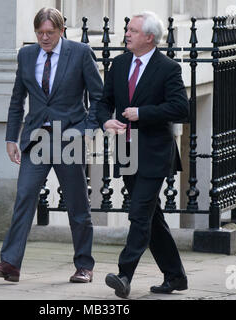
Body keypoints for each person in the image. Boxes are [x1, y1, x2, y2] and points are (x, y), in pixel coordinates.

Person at [0, 7, 103, 284]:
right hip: (35, 139)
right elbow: (17, 100)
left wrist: (85, 131)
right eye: (39, 33)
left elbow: (98, 97)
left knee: (77, 204)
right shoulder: (26, 55)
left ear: (61, 31)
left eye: (50, 32)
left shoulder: (80, 53)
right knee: (24, 197)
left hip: (69, 137)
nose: (44, 38)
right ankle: (10, 263)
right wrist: (11, 138)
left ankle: (84, 265)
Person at [97, 11, 189, 298]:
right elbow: (104, 101)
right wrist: (105, 121)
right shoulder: (120, 63)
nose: (127, 34)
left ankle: (124, 274)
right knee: (151, 217)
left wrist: (142, 113)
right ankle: (175, 276)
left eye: (133, 31)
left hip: (154, 154)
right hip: (127, 151)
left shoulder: (168, 68)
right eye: (128, 30)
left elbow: (180, 109)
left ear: (149, 37)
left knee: (138, 214)